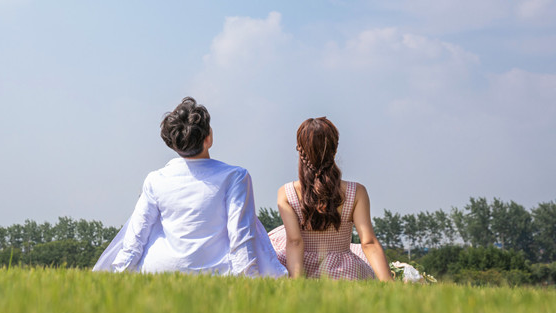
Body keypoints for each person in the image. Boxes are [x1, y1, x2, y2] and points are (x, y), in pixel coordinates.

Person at [93, 97, 287, 277]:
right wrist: (249, 280)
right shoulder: (236, 176)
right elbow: (241, 236)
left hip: (159, 270)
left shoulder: (155, 179)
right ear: (208, 138)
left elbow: (136, 236)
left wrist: (117, 274)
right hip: (216, 272)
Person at [268, 117, 392, 281]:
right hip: (344, 270)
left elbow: (295, 242)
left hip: (299, 264)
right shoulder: (357, 192)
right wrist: (388, 282)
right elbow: (368, 243)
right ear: (335, 149)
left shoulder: (286, 192)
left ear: (299, 149)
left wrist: (296, 282)